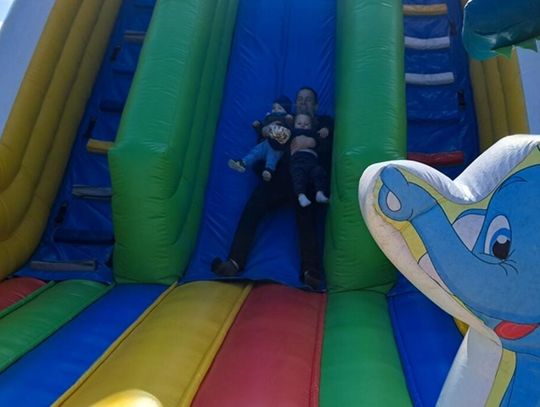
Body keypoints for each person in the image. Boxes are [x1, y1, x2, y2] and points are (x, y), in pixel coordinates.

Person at [212, 87, 333, 290]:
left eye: (308, 100)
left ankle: (310, 271)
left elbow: (329, 147)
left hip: (304, 180)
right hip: (279, 177)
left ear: (316, 105)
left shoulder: (323, 123)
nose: (303, 103)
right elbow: (264, 147)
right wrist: (265, 167)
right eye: (300, 99)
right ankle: (234, 261)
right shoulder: (285, 121)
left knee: (307, 218)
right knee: (253, 207)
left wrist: (312, 140)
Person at [228, 96, 293, 182]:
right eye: (274, 108)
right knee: (255, 152)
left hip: (277, 147)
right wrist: (258, 126)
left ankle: (269, 170)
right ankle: (243, 162)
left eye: (279, 108)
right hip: (265, 143)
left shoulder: (286, 119)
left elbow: (288, 132)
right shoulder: (268, 118)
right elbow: (262, 132)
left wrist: (288, 121)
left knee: (272, 157)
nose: (276, 110)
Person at [289, 113, 330, 207]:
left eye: (306, 124)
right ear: (294, 125)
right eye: (299, 123)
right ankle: (301, 195)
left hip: (312, 160)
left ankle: (320, 192)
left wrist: (325, 131)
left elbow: (321, 140)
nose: (302, 126)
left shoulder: (314, 133)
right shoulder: (292, 133)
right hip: (298, 159)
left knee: (318, 172)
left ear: (311, 126)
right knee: (298, 174)